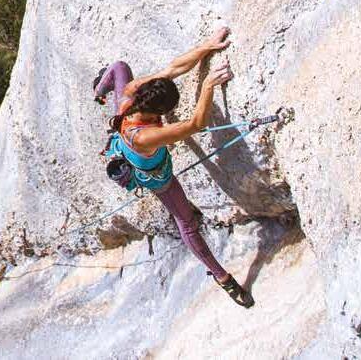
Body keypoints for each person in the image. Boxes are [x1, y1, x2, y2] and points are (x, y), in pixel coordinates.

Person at [93, 25, 254, 308]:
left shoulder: (133, 93)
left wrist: (207, 46)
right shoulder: (146, 136)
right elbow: (195, 124)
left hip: (126, 127)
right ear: (159, 112)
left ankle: (99, 91)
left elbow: (173, 69)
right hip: (157, 177)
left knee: (119, 68)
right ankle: (223, 278)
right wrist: (208, 86)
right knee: (187, 224)